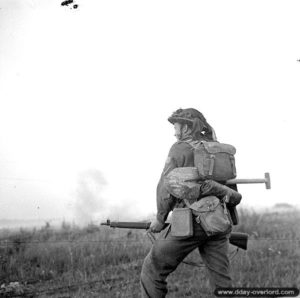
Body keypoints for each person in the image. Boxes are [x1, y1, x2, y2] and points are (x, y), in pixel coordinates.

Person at [140, 108, 233, 297]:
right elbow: (230, 187)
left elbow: (167, 186)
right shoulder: (217, 148)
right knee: (222, 282)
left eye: (176, 126)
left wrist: (160, 219)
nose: (174, 132)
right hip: (219, 220)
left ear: (187, 127)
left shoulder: (180, 148)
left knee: (152, 270)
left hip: (191, 221)